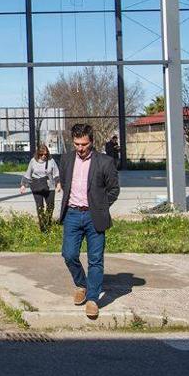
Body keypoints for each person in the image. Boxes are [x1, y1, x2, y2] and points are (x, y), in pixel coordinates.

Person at [58, 122, 120, 321]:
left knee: (95, 259)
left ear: (91, 142)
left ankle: (92, 298)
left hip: (95, 216)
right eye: (76, 144)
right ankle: (81, 284)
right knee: (68, 254)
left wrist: (100, 206)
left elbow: (114, 190)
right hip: (72, 214)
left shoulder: (105, 162)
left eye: (84, 144)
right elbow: (65, 183)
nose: (80, 148)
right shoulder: (66, 160)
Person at [21, 143, 60, 232]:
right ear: (38, 153)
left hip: (49, 186)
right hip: (37, 186)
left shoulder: (51, 161)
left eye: (45, 154)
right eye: (41, 154)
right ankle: (43, 228)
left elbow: (56, 173)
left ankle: (48, 222)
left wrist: (58, 184)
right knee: (40, 207)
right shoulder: (33, 161)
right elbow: (28, 173)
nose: (44, 156)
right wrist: (23, 185)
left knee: (50, 206)